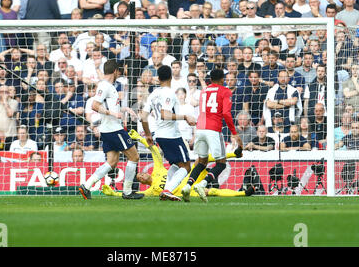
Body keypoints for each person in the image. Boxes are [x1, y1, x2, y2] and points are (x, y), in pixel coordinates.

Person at [102, 129, 254, 198]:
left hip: (190, 177)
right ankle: (243, 192)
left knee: (202, 160)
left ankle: (233, 154)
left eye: (141, 173)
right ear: (142, 182)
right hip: (187, 190)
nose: (141, 175)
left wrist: (140, 139)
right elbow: (135, 194)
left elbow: (155, 152)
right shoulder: (152, 191)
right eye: (140, 177)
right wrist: (113, 193)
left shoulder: (158, 171)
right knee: (211, 192)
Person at [78, 60, 142, 200]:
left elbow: (110, 106)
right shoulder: (104, 86)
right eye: (120, 71)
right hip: (114, 129)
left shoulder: (108, 86)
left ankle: (87, 185)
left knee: (112, 162)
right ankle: (127, 191)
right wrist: (113, 114)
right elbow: (95, 105)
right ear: (115, 71)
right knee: (134, 157)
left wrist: (123, 110)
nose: (121, 73)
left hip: (108, 129)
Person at [181, 68, 242, 203]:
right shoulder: (225, 91)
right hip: (213, 129)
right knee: (221, 163)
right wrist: (234, 132)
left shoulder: (204, 91)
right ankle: (202, 184)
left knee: (201, 161)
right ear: (222, 79)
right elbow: (226, 113)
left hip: (200, 129)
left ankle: (187, 186)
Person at [141, 65, 196, 201]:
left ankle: (166, 190)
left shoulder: (153, 94)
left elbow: (143, 117)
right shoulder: (170, 93)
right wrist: (185, 117)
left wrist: (148, 135)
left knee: (176, 164)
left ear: (158, 78)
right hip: (171, 135)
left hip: (159, 135)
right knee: (186, 166)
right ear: (171, 76)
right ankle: (168, 190)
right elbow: (166, 114)